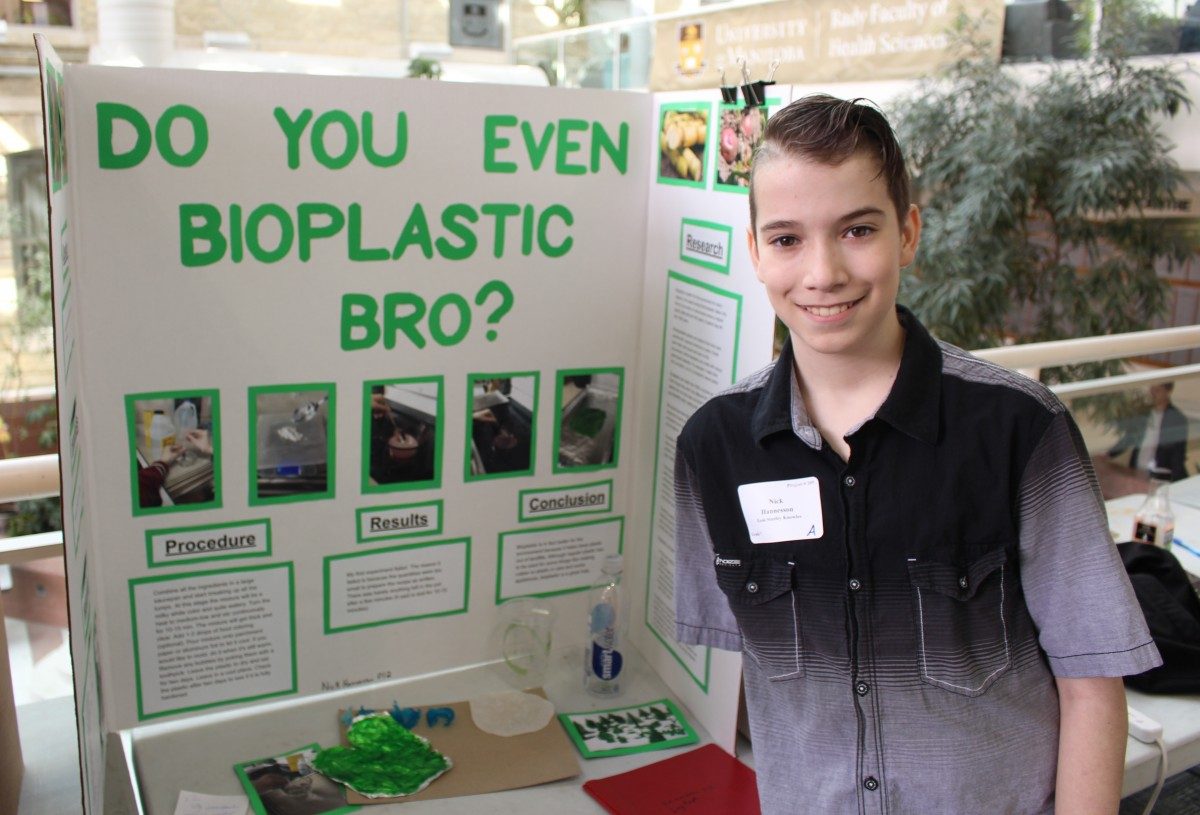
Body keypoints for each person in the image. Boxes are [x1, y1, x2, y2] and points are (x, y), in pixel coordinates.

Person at [673, 95, 1161, 814]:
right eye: (787, 239)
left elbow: (1091, 680)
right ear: (754, 253)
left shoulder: (1020, 430)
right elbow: (751, 679)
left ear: (907, 233)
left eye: (857, 230)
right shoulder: (713, 447)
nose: (822, 272)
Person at [1108, 382, 1189, 481]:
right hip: (1137, 472)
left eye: (1157, 390)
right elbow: (1130, 438)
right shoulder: (1143, 413)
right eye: (1151, 390)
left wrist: (1175, 481)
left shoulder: (1177, 419)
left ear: (1168, 391)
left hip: (1159, 476)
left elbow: (1177, 455)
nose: (1153, 394)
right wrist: (1108, 454)